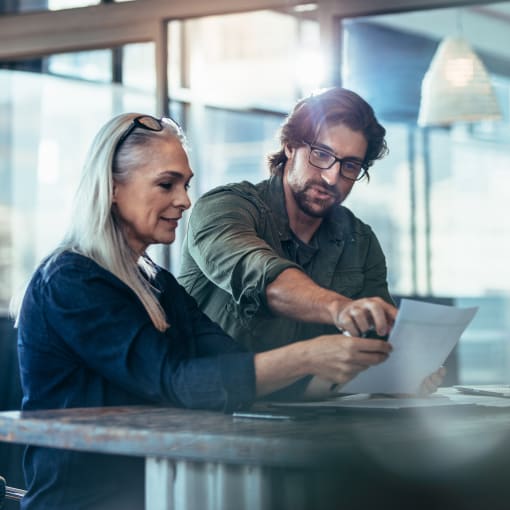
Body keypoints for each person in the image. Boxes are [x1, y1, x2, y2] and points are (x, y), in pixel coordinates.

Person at [14, 113, 397, 510]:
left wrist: (347, 367)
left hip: (159, 496)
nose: (184, 200)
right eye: (166, 184)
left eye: (185, 185)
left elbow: (232, 362)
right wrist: (309, 356)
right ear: (112, 188)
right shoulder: (72, 280)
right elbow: (178, 382)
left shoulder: (157, 283)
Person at [179, 87, 398, 352]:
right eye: (322, 154)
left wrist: (406, 370)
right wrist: (339, 308)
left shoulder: (360, 240)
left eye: (350, 166)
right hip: (216, 391)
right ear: (290, 146)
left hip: (317, 393)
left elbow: (379, 338)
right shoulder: (223, 208)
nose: (331, 177)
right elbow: (262, 277)